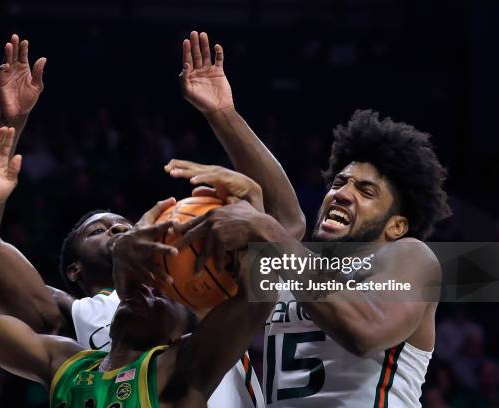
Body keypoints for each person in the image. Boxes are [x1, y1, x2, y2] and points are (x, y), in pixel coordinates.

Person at [0, 32, 306, 408]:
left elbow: (285, 225)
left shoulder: (190, 283)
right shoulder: (70, 317)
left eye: (123, 222)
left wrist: (223, 115)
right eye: (98, 230)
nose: (118, 228)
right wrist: (10, 123)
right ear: (73, 271)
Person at [0, 125, 276, 407]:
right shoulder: (69, 358)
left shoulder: (183, 364)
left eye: (161, 294)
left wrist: (254, 216)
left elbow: (262, 286)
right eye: (99, 230)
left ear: (183, 334)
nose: (150, 293)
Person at [172, 109, 451, 406]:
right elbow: (290, 221)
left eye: (366, 191)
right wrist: (222, 112)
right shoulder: (292, 270)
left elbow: (366, 331)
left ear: (397, 226)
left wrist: (267, 230)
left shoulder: (412, 257)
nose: (342, 194)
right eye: (339, 183)